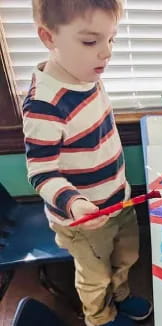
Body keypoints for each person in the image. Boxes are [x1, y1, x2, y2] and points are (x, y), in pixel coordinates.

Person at [23, 1, 152, 325]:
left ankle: (120, 297)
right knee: (95, 278)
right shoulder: (45, 105)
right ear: (48, 37)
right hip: (82, 219)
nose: (106, 53)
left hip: (117, 198)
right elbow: (40, 171)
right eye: (91, 41)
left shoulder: (86, 72)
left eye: (111, 39)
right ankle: (100, 317)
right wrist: (74, 203)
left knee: (126, 256)